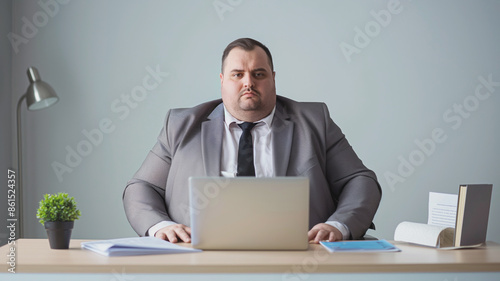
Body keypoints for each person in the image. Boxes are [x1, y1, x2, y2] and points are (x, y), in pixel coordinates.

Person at [123, 38, 381, 243]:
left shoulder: (314, 121)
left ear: (273, 79)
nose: (248, 82)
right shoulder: (181, 125)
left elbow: (360, 181)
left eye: (259, 74)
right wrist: (162, 226)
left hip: (301, 258)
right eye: (237, 74)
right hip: (199, 260)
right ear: (222, 81)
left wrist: (338, 225)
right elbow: (141, 187)